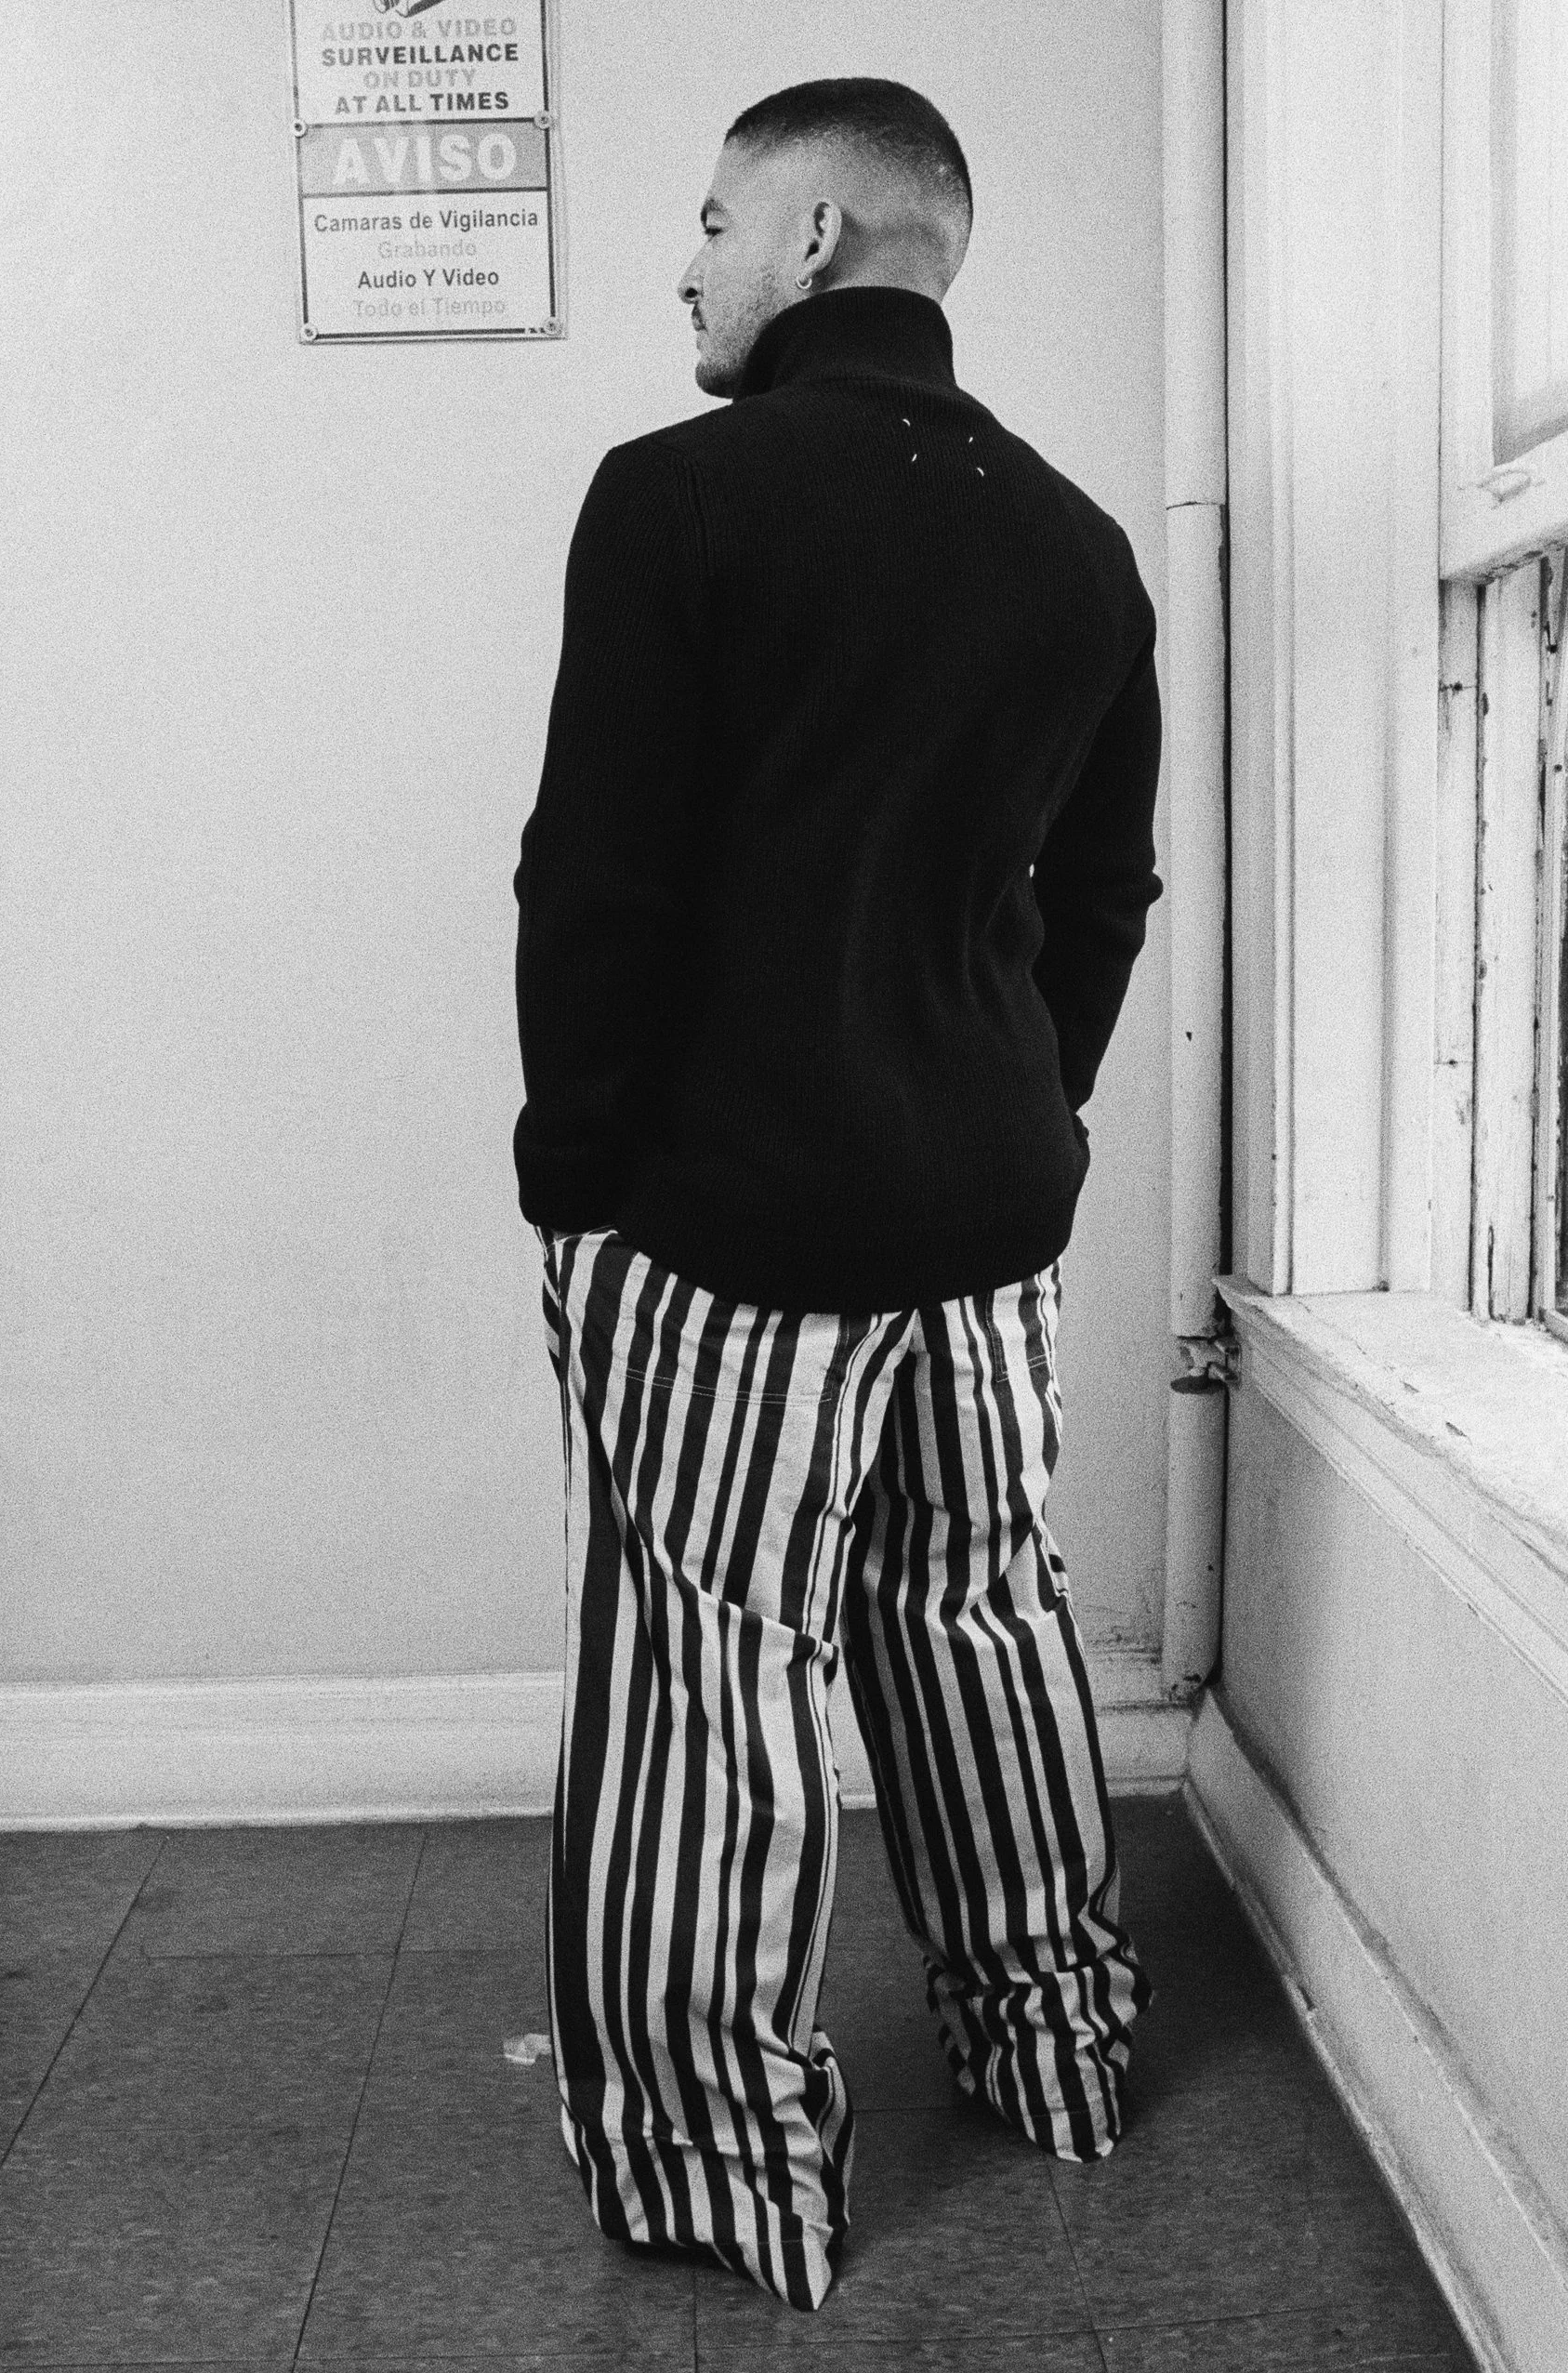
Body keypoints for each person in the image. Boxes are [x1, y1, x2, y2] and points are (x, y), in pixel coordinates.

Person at [512, 76, 1163, 2314]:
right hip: (986, 1214)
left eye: (708, 218)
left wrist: (574, 1186)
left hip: (731, 1224)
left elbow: (596, 879)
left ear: (814, 237)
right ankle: (1055, 2049)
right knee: (976, 1625)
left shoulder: (678, 501)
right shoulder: (1082, 543)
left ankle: (732, 2166)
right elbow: (1102, 890)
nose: (683, 262)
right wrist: (1024, 1108)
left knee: (716, 1676)